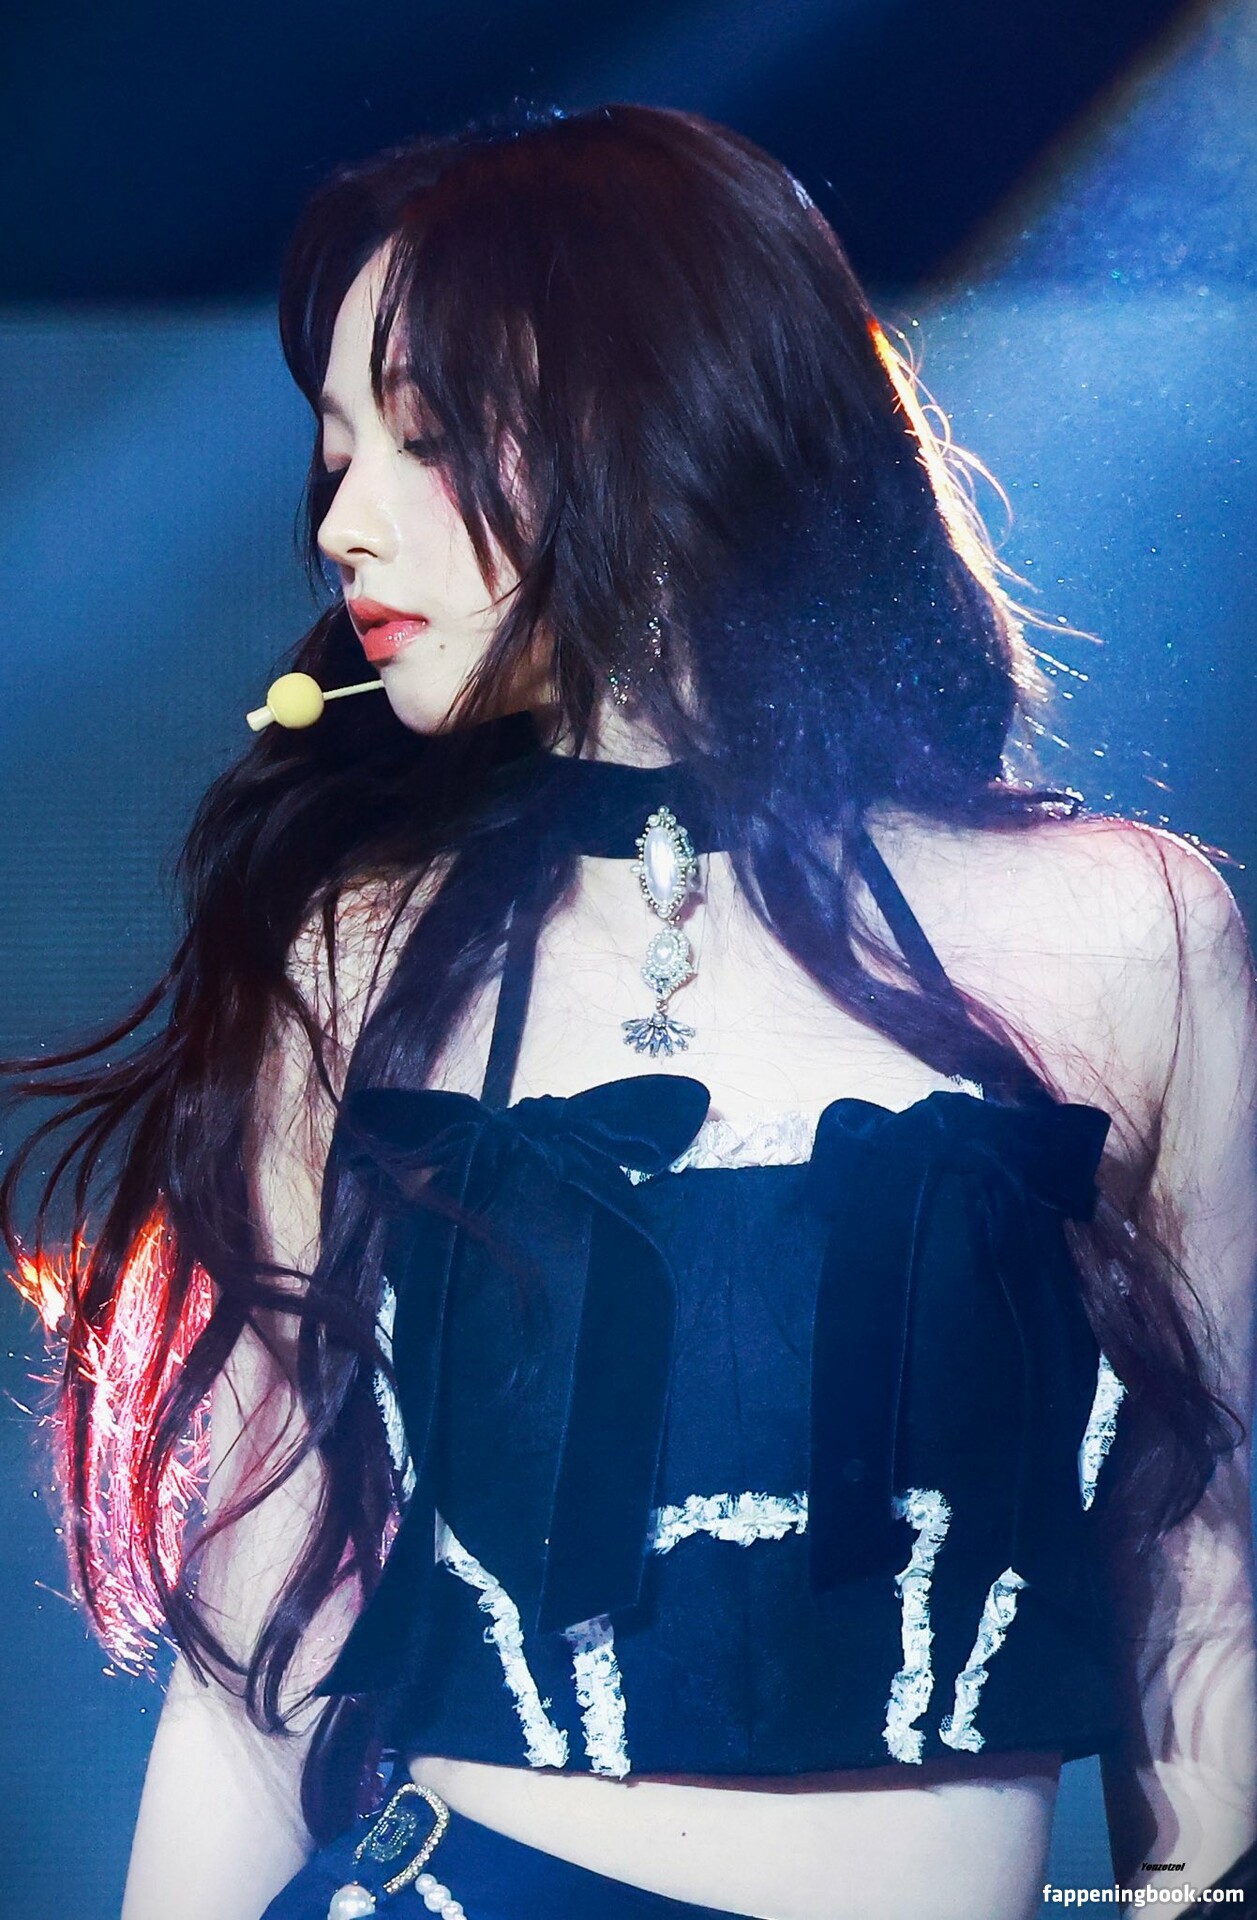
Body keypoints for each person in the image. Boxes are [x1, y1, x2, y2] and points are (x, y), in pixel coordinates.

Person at [4, 103, 1255, 1920]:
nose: (342, 520)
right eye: (336, 452)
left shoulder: (1127, 932)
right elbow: (260, 1648)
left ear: (653, 423)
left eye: (423, 439)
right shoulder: (359, 957)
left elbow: (1197, 1544)